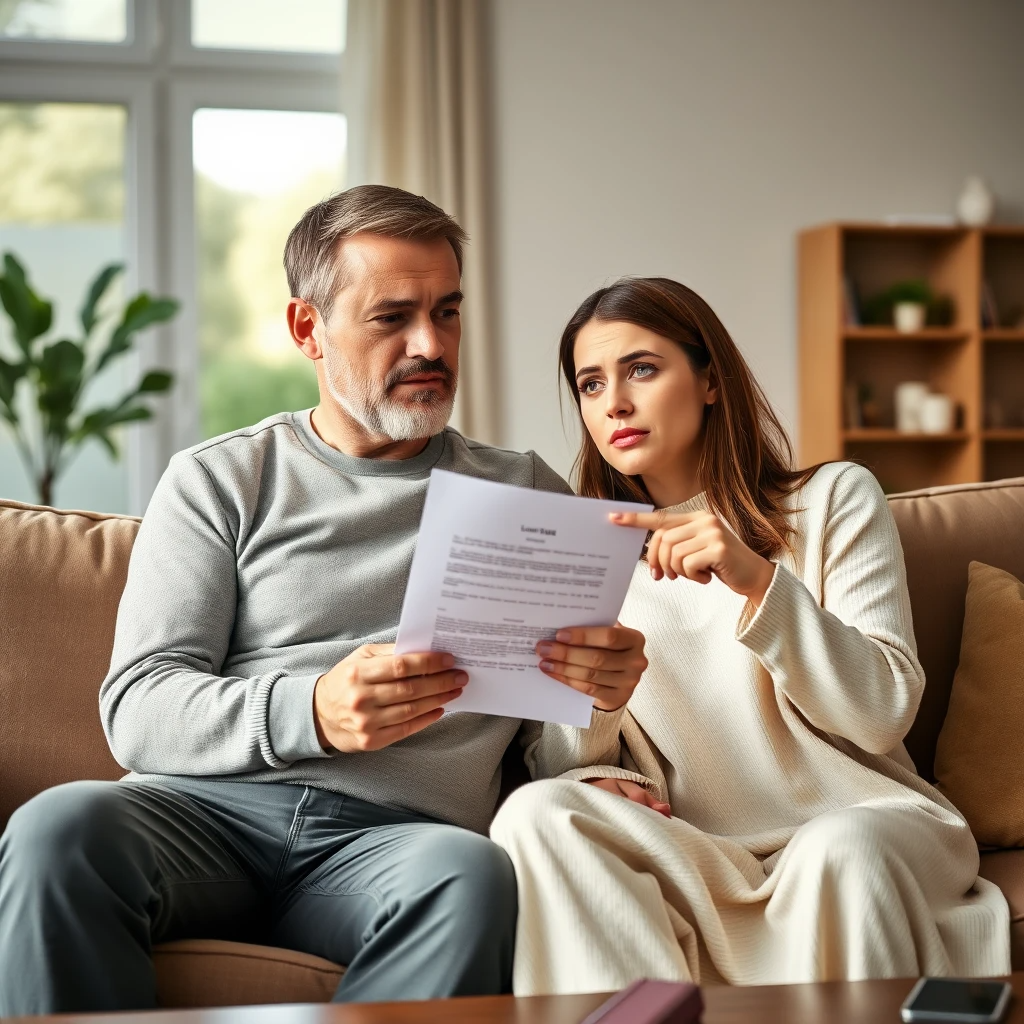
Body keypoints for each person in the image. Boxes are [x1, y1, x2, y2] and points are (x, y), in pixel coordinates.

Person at [0, 186, 649, 1016]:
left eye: (447, 312)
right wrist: (312, 709)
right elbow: (139, 705)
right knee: (59, 829)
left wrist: (593, 699)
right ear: (308, 328)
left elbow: (544, 752)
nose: (431, 344)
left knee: (471, 875)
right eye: (392, 318)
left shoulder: (522, 488)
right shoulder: (223, 478)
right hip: (200, 817)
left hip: (397, 842)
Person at [492, 276, 1011, 994]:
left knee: (841, 848)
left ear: (709, 380)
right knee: (536, 813)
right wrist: (596, 724)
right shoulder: (581, 554)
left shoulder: (832, 500)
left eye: (641, 368)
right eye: (589, 384)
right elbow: (563, 768)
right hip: (705, 848)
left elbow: (883, 711)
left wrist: (758, 582)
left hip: (868, 823)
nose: (612, 403)